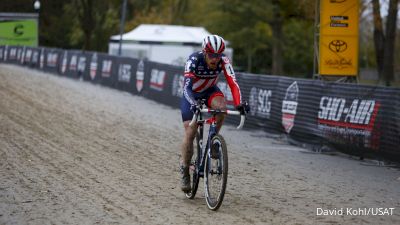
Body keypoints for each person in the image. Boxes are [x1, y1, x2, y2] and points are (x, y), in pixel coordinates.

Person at [180, 34, 249, 192]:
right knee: (191, 132)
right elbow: (186, 88)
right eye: (211, 55)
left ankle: (213, 141)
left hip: (210, 91)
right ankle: (184, 169)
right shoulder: (194, 60)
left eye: (218, 55)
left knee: (222, 108)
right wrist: (193, 103)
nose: (215, 59)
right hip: (191, 94)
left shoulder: (224, 61)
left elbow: (233, 83)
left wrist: (239, 103)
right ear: (204, 52)